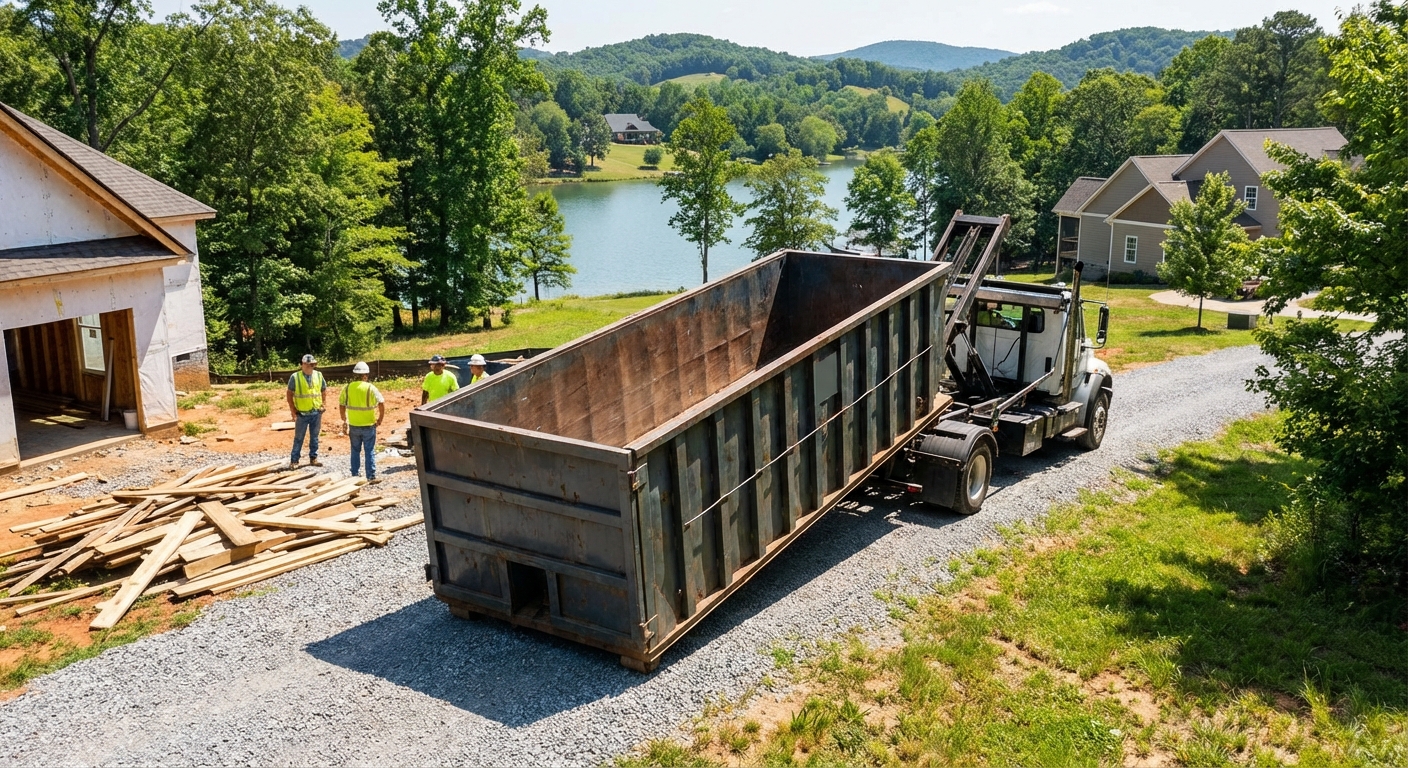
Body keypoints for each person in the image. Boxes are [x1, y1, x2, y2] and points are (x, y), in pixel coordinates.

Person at [340, 361, 385, 484]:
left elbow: (341, 405)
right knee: (369, 451)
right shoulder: (370, 388)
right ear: (365, 375)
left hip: (354, 425)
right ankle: (370, 476)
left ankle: (355, 475)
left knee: (355, 450)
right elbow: (381, 402)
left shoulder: (348, 388)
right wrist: (380, 419)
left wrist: (344, 419)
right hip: (369, 425)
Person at [285, 354, 328, 469]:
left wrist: (323, 404)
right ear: (302, 365)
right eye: (308, 365)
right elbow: (289, 394)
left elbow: (323, 390)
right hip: (302, 413)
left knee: (315, 437)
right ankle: (294, 460)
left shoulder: (318, 375)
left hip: (316, 412)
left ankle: (313, 458)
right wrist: (293, 410)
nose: (310, 367)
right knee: (299, 438)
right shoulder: (295, 377)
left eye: (312, 365)